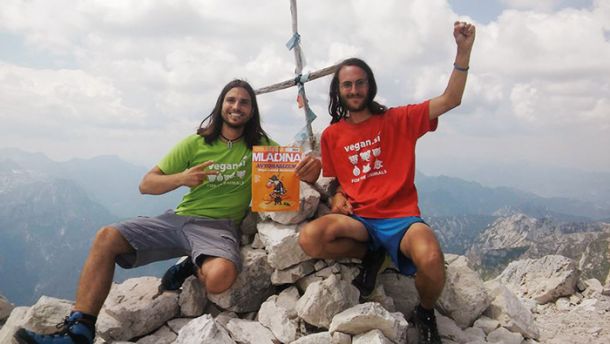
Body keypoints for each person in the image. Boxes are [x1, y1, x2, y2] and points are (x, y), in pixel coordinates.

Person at [15, 79, 322, 344]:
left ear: (251, 110)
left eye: (244, 102)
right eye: (231, 100)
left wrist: (312, 167)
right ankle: (79, 328)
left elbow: (295, 171)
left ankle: (193, 263)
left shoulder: (261, 146)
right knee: (107, 237)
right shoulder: (195, 143)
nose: (237, 106)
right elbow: (146, 184)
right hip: (177, 220)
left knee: (220, 277)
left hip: (219, 228)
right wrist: (182, 178)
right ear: (220, 105)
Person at [298, 22, 475, 344]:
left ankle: (424, 310)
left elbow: (450, 99)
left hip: (402, 217)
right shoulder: (332, 135)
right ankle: (372, 254)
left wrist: (463, 51)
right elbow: (337, 180)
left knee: (432, 259)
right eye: (347, 85)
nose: (354, 90)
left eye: (360, 83)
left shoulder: (398, 120)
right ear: (338, 91)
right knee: (311, 237)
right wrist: (335, 195)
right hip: (361, 220)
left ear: (370, 86)